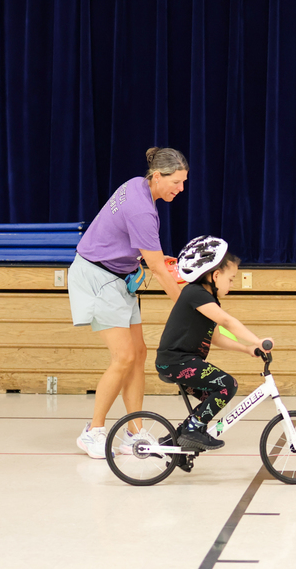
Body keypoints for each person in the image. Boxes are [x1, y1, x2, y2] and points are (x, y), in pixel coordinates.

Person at [69, 147, 188, 458]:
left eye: (184, 181)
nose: (181, 188)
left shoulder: (137, 184)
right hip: (97, 277)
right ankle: (93, 431)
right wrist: (189, 307)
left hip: (119, 275)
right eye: (176, 181)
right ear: (158, 177)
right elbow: (160, 271)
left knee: (138, 353)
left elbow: (144, 254)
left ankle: (133, 431)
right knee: (123, 357)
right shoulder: (142, 211)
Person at [156, 235, 271, 450]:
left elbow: (217, 337)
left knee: (214, 394)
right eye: (231, 279)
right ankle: (192, 429)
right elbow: (227, 321)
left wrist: (248, 349)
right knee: (228, 385)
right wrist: (258, 340)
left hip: (180, 363)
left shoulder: (205, 298)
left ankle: (177, 441)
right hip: (177, 362)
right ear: (215, 276)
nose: (233, 284)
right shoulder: (195, 294)